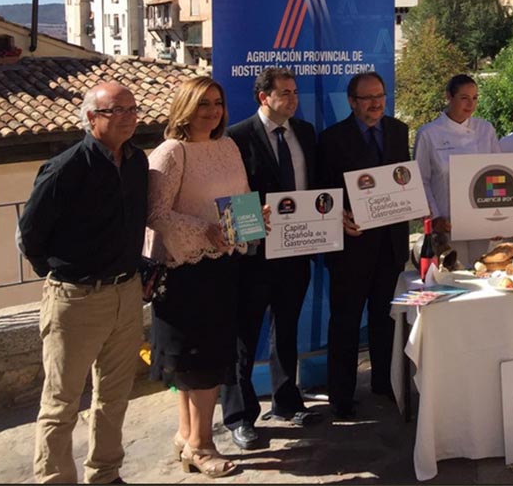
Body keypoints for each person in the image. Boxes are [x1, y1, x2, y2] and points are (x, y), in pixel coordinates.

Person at [18, 82, 147, 485]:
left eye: (131, 108)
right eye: (116, 110)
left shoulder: (137, 161)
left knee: (114, 397)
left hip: (126, 294)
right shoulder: (64, 169)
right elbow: (31, 237)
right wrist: (66, 277)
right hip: (75, 300)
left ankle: (105, 474)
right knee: (61, 404)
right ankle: (55, 479)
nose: (127, 116)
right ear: (91, 118)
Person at [147, 76, 254, 477]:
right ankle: (202, 445)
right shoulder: (171, 152)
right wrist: (203, 230)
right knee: (194, 363)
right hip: (184, 273)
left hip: (222, 267)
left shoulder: (227, 146)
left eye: (217, 103)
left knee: (208, 359)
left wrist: (249, 221)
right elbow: (155, 214)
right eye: (202, 103)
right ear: (184, 107)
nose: (212, 111)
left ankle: (186, 436)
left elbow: (239, 199)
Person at [221, 68, 319, 452]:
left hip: (297, 250)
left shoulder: (306, 133)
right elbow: (231, 195)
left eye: (295, 92)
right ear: (264, 97)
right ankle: (240, 417)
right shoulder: (236, 137)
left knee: (287, 331)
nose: (293, 99)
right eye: (285, 93)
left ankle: (286, 402)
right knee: (244, 338)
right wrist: (253, 218)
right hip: (254, 256)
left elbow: (314, 189)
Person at [315, 71, 411, 418]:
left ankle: (384, 382)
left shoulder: (399, 131)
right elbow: (321, 192)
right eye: (368, 98)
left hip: (390, 244)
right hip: (350, 246)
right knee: (345, 322)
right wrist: (337, 213)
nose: (375, 104)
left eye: (380, 96)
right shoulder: (331, 139)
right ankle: (340, 395)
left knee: (385, 319)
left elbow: (404, 180)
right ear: (352, 102)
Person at [415, 74, 501, 263]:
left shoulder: (486, 130)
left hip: (481, 221)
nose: (470, 104)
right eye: (464, 98)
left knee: (482, 273)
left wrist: (499, 215)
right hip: (447, 225)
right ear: (448, 96)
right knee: (452, 278)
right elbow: (421, 181)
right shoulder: (428, 133)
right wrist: (435, 218)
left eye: (475, 98)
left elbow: (497, 173)